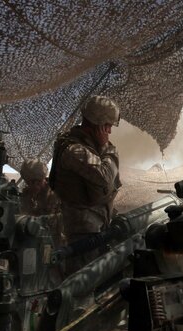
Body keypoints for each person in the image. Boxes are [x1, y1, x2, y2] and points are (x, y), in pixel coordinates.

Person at [50, 95, 122, 276]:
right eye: (108, 126)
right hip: (82, 236)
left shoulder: (89, 148)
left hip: (96, 231)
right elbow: (105, 177)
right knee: (83, 289)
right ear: (98, 125)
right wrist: (109, 149)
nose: (109, 132)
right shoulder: (74, 151)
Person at [19, 158, 63, 246]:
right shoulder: (25, 195)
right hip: (30, 243)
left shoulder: (56, 193)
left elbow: (63, 219)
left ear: (43, 178)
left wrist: (41, 220)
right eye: (30, 182)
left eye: (38, 181)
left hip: (52, 242)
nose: (35, 185)